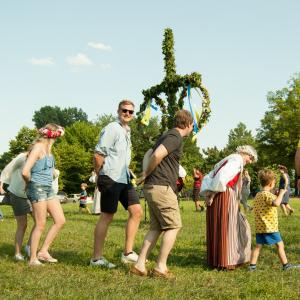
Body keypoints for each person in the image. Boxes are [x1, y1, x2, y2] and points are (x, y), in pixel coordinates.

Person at [132, 110, 194, 278]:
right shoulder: (175, 137)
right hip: (161, 187)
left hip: (153, 187)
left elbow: (153, 154)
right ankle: (160, 267)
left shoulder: (167, 135)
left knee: (156, 227)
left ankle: (139, 265)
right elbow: (157, 155)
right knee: (174, 226)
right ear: (189, 124)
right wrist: (145, 173)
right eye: (192, 126)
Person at [91, 100, 142, 268]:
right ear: (118, 110)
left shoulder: (126, 130)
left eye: (130, 111)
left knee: (136, 211)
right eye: (124, 110)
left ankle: (127, 253)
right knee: (107, 216)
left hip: (124, 179)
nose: (127, 113)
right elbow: (98, 154)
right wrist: (100, 175)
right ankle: (96, 258)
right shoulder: (112, 128)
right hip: (110, 178)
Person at [201, 145, 257, 269]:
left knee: (221, 225)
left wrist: (210, 194)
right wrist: (212, 194)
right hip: (224, 195)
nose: (250, 161)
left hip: (221, 194)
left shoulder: (229, 159)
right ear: (245, 153)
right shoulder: (236, 160)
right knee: (227, 226)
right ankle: (226, 260)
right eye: (250, 158)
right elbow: (222, 178)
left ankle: (217, 260)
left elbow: (213, 176)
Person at [22, 123, 66, 266]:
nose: (59, 135)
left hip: (48, 188)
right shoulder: (38, 147)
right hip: (37, 187)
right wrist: (30, 183)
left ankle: (43, 251)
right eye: (58, 132)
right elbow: (25, 171)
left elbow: (50, 169)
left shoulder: (49, 148)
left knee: (60, 220)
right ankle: (33, 259)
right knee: (40, 224)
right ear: (52, 134)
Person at [249, 169, 300, 271]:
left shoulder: (258, 195)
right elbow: (277, 203)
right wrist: (281, 193)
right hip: (270, 227)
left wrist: (277, 193)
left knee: (258, 246)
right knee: (280, 244)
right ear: (271, 183)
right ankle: (286, 265)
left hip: (260, 227)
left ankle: (252, 267)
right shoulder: (267, 195)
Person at [0, 152, 33, 260]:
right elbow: (6, 170)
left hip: (30, 194)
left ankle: (29, 247)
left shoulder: (41, 158)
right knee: (22, 225)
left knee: (40, 221)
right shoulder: (22, 157)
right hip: (17, 193)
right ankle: (17, 254)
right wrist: (0, 186)